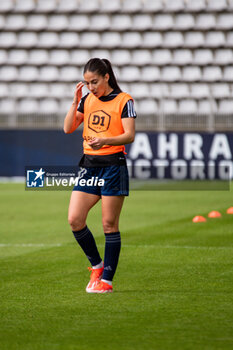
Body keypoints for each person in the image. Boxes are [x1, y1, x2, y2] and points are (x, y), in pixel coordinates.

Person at [64, 58, 136, 293]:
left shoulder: (125, 100)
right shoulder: (87, 99)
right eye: (87, 83)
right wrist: (75, 102)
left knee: (109, 224)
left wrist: (105, 140)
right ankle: (97, 265)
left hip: (113, 165)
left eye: (94, 82)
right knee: (75, 219)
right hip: (89, 165)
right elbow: (67, 128)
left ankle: (106, 280)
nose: (90, 87)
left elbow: (129, 135)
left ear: (106, 76)